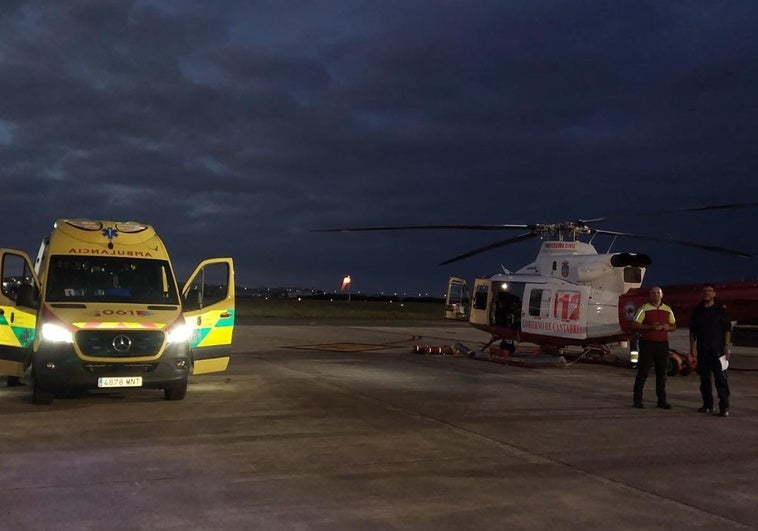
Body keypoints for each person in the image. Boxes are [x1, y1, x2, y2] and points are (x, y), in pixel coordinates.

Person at [689, 285, 731, 417]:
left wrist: (726, 346)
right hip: (703, 351)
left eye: (709, 291)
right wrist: (692, 347)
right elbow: (692, 331)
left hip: (719, 351)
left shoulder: (720, 310)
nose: (707, 293)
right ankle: (707, 405)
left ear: (714, 294)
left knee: (721, 380)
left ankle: (724, 407)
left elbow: (727, 329)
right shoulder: (697, 311)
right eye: (705, 291)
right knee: (705, 380)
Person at [632, 286, 676, 409]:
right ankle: (637, 399)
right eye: (653, 293)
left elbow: (674, 325)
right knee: (643, 372)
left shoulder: (667, 309)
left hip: (662, 344)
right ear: (650, 295)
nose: (656, 295)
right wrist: (650, 327)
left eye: (658, 293)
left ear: (662, 295)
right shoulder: (644, 309)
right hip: (647, 344)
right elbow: (635, 324)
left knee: (662, 374)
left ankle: (661, 401)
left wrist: (668, 327)